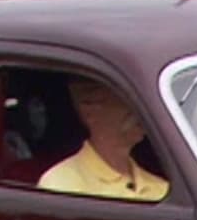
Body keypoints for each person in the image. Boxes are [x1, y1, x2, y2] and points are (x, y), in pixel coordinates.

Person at [37, 78, 170, 202]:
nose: (141, 111)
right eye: (127, 100)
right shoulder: (60, 185)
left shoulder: (163, 189)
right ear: (89, 111)